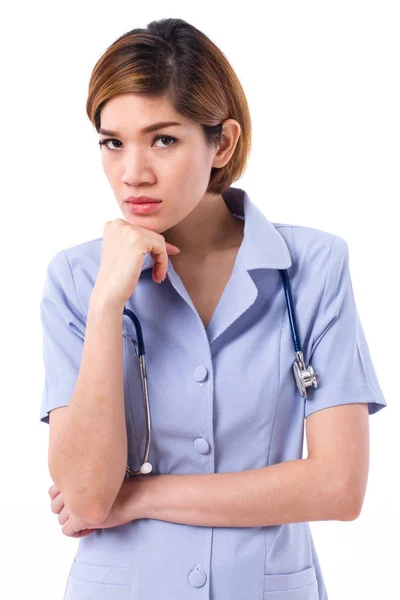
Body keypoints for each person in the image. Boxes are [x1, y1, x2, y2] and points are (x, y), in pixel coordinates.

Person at [40, 18, 387, 600]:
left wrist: (143, 496)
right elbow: (87, 497)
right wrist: (106, 307)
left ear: (221, 142)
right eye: (112, 142)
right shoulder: (78, 280)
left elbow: (338, 486)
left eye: (164, 139)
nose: (133, 173)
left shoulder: (313, 266)